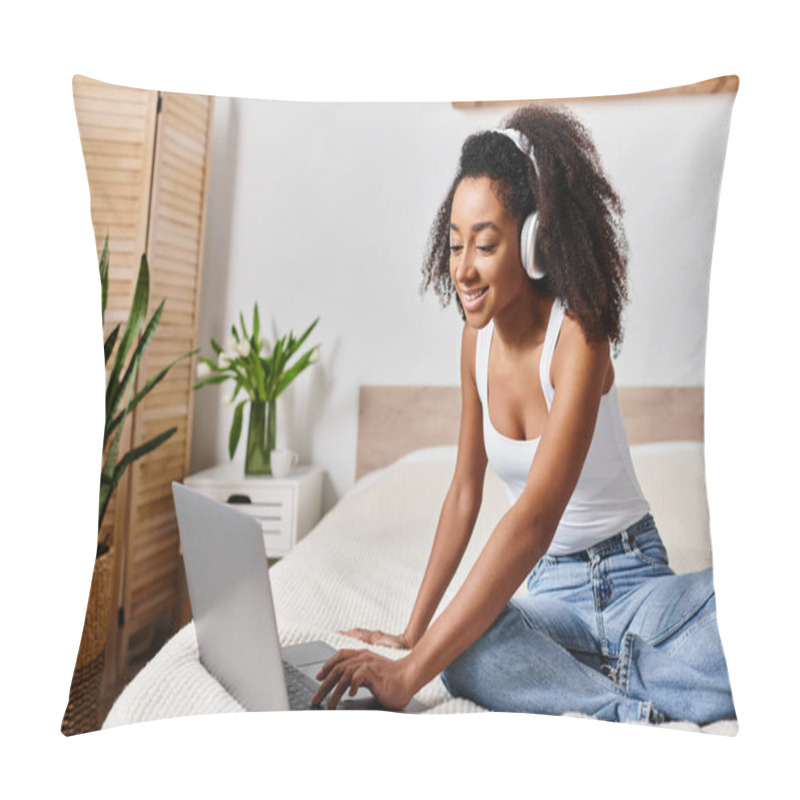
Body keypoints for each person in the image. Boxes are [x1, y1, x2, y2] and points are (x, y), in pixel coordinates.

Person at [311, 104, 736, 724]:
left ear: (533, 242)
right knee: (462, 653)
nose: (463, 268)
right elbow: (464, 492)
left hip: (637, 584)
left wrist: (410, 672)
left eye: (484, 244)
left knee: (759, 606)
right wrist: (413, 637)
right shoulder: (472, 344)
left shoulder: (580, 336)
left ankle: (600, 673)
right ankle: (627, 705)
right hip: (552, 598)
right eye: (455, 244)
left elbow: (534, 516)